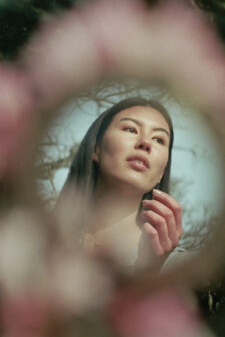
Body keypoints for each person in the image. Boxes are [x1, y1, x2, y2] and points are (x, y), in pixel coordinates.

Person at [58, 97, 185, 273]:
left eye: (159, 140)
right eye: (131, 129)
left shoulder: (180, 267)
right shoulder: (41, 240)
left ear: (161, 173)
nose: (146, 143)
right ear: (96, 148)